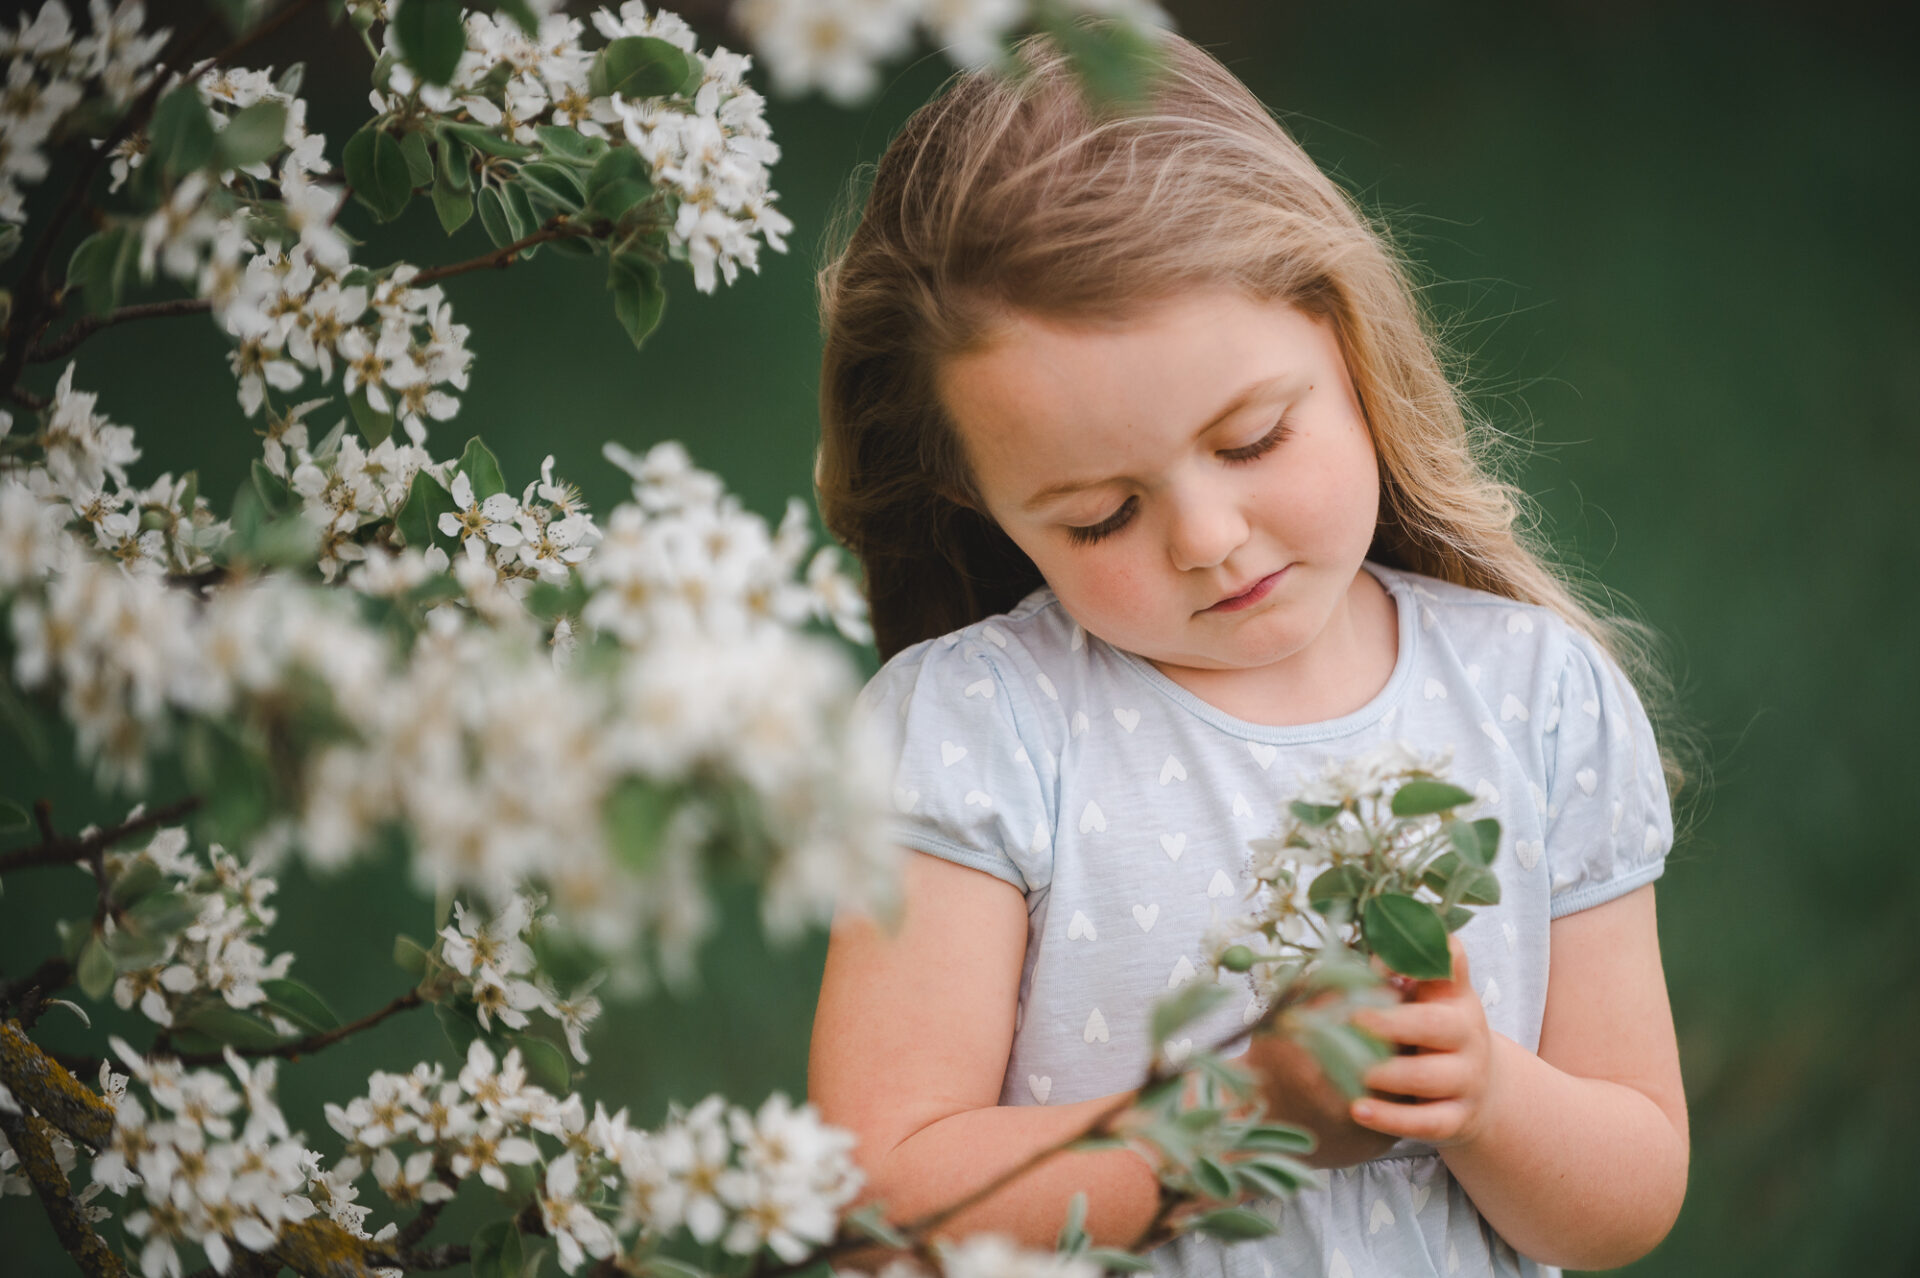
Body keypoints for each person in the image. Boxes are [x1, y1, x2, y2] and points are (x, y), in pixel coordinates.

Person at [806, 27, 1689, 1278]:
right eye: (1101, 515)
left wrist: (1486, 1097)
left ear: (1348, 340)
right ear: (979, 500)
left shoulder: (1534, 697)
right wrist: (1232, 1122)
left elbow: (1632, 1194)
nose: (1209, 541)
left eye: (1255, 438)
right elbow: (871, 1207)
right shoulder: (977, 730)